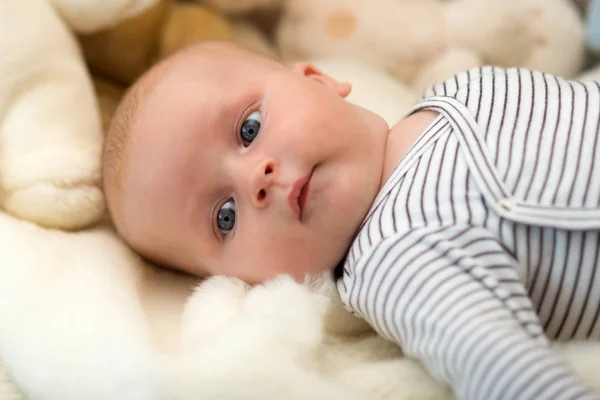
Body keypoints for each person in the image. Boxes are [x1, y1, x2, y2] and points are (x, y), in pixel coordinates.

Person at [102, 41, 600, 400]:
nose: (257, 177)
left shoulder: (462, 89)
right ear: (248, 282)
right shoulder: (396, 258)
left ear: (317, 80)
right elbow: (504, 370)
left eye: (249, 128)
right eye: (225, 217)